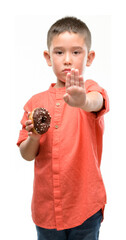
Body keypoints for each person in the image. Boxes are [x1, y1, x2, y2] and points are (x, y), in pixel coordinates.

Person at [17, 16, 109, 240]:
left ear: (89, 57)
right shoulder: (34, 102)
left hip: (85, 208)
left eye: (76, 52)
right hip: (46, 210)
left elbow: (97, 101)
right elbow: (26, 154)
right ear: (48, 57)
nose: (67, 60)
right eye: (59, 52)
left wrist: (82, 102)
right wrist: (34, 137)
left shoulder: (89, 90)